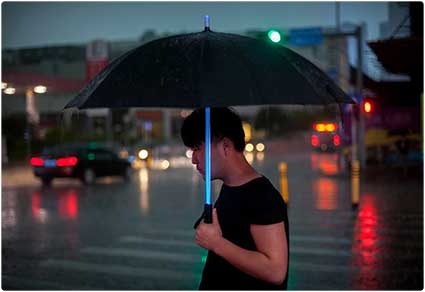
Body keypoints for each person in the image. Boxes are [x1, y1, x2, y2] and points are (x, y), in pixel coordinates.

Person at [181, 107, 289, 290]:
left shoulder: (261, 195)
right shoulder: (230, 187)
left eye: (197, 148)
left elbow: (275, 271)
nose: (193, 159)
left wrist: (217, 243)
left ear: (225, 146)